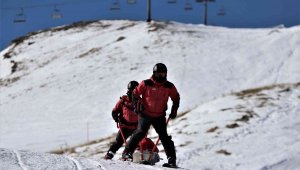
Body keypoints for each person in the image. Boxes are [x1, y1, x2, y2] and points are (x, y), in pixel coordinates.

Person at [122, 63, 180, 168]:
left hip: (159, 116)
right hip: (145, 114)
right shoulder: (146, 84)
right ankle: (127, 153)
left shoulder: (169, 86)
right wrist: (137, 105)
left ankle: (172, 160)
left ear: (166, 74)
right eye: (158, 74)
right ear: (154, 73)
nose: (160, 76)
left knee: (164, 137)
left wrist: (174, 110)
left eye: (163, 74)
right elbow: (135, 94)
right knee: (140, 133)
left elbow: (176, 98)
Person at [104, 80, 139, 160]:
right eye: (131, 90)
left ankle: (131, 155)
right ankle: (110, 154)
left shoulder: (140, 101)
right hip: (125, 126)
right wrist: (116, 118)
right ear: (129, 90)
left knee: (136, 143)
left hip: (136, 127)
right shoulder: (123, 101)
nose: (133, 92)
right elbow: (114, 111)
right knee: (118, 142)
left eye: (135, 90)